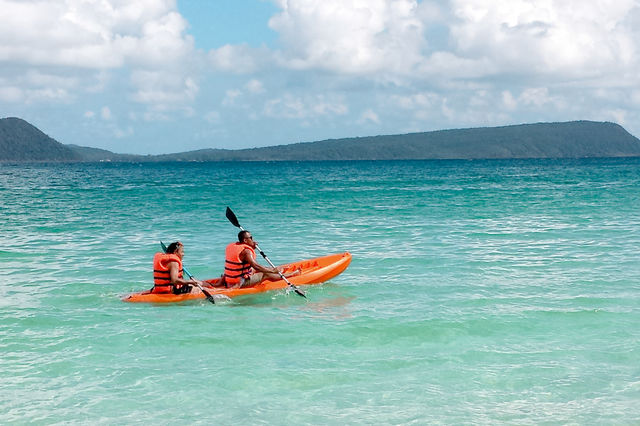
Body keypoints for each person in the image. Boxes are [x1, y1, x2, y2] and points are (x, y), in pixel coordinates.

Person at [222, 230, 299, 288]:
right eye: (251, 238)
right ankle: (291, 275)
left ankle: (277, 271)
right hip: (240, 283)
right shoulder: (246, 251)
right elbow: (256, 266)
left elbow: (247, 262)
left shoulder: (234, 247)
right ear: (245, 240)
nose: (252, 240)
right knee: (265, 273)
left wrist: (251, 247)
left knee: (254, 269)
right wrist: (272, 271)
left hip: (230, 280)